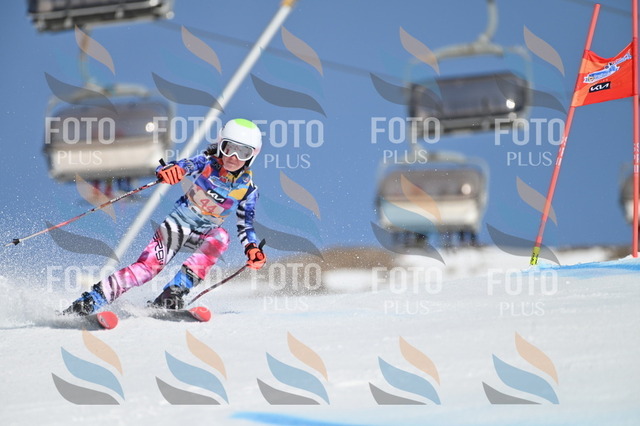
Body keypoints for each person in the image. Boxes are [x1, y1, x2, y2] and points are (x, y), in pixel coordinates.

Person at [63, 118, 267, 315]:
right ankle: (91, 300)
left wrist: (252, 248)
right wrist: (170, 170)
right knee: (147, 269)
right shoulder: (206, 163)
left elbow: (245, 225)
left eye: (243, 152)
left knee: (221, 237)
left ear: (252, 156)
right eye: (229, 148)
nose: (234, 157)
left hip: (204, 231)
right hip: (177, 225)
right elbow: (183, 165)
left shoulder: (248, 190)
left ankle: (173, 294)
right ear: (220, 146)